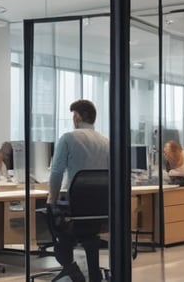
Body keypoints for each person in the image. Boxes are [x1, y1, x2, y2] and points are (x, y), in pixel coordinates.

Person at [48, 100, 109, 282]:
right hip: (100, 210)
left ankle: (71, 269)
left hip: (75, 209)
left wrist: (51, 200)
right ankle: (91, 273)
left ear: (77, 117)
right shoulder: (106, 142)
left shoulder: (68, 138)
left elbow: (56, 172)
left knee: (50, 216)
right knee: (86, 231)